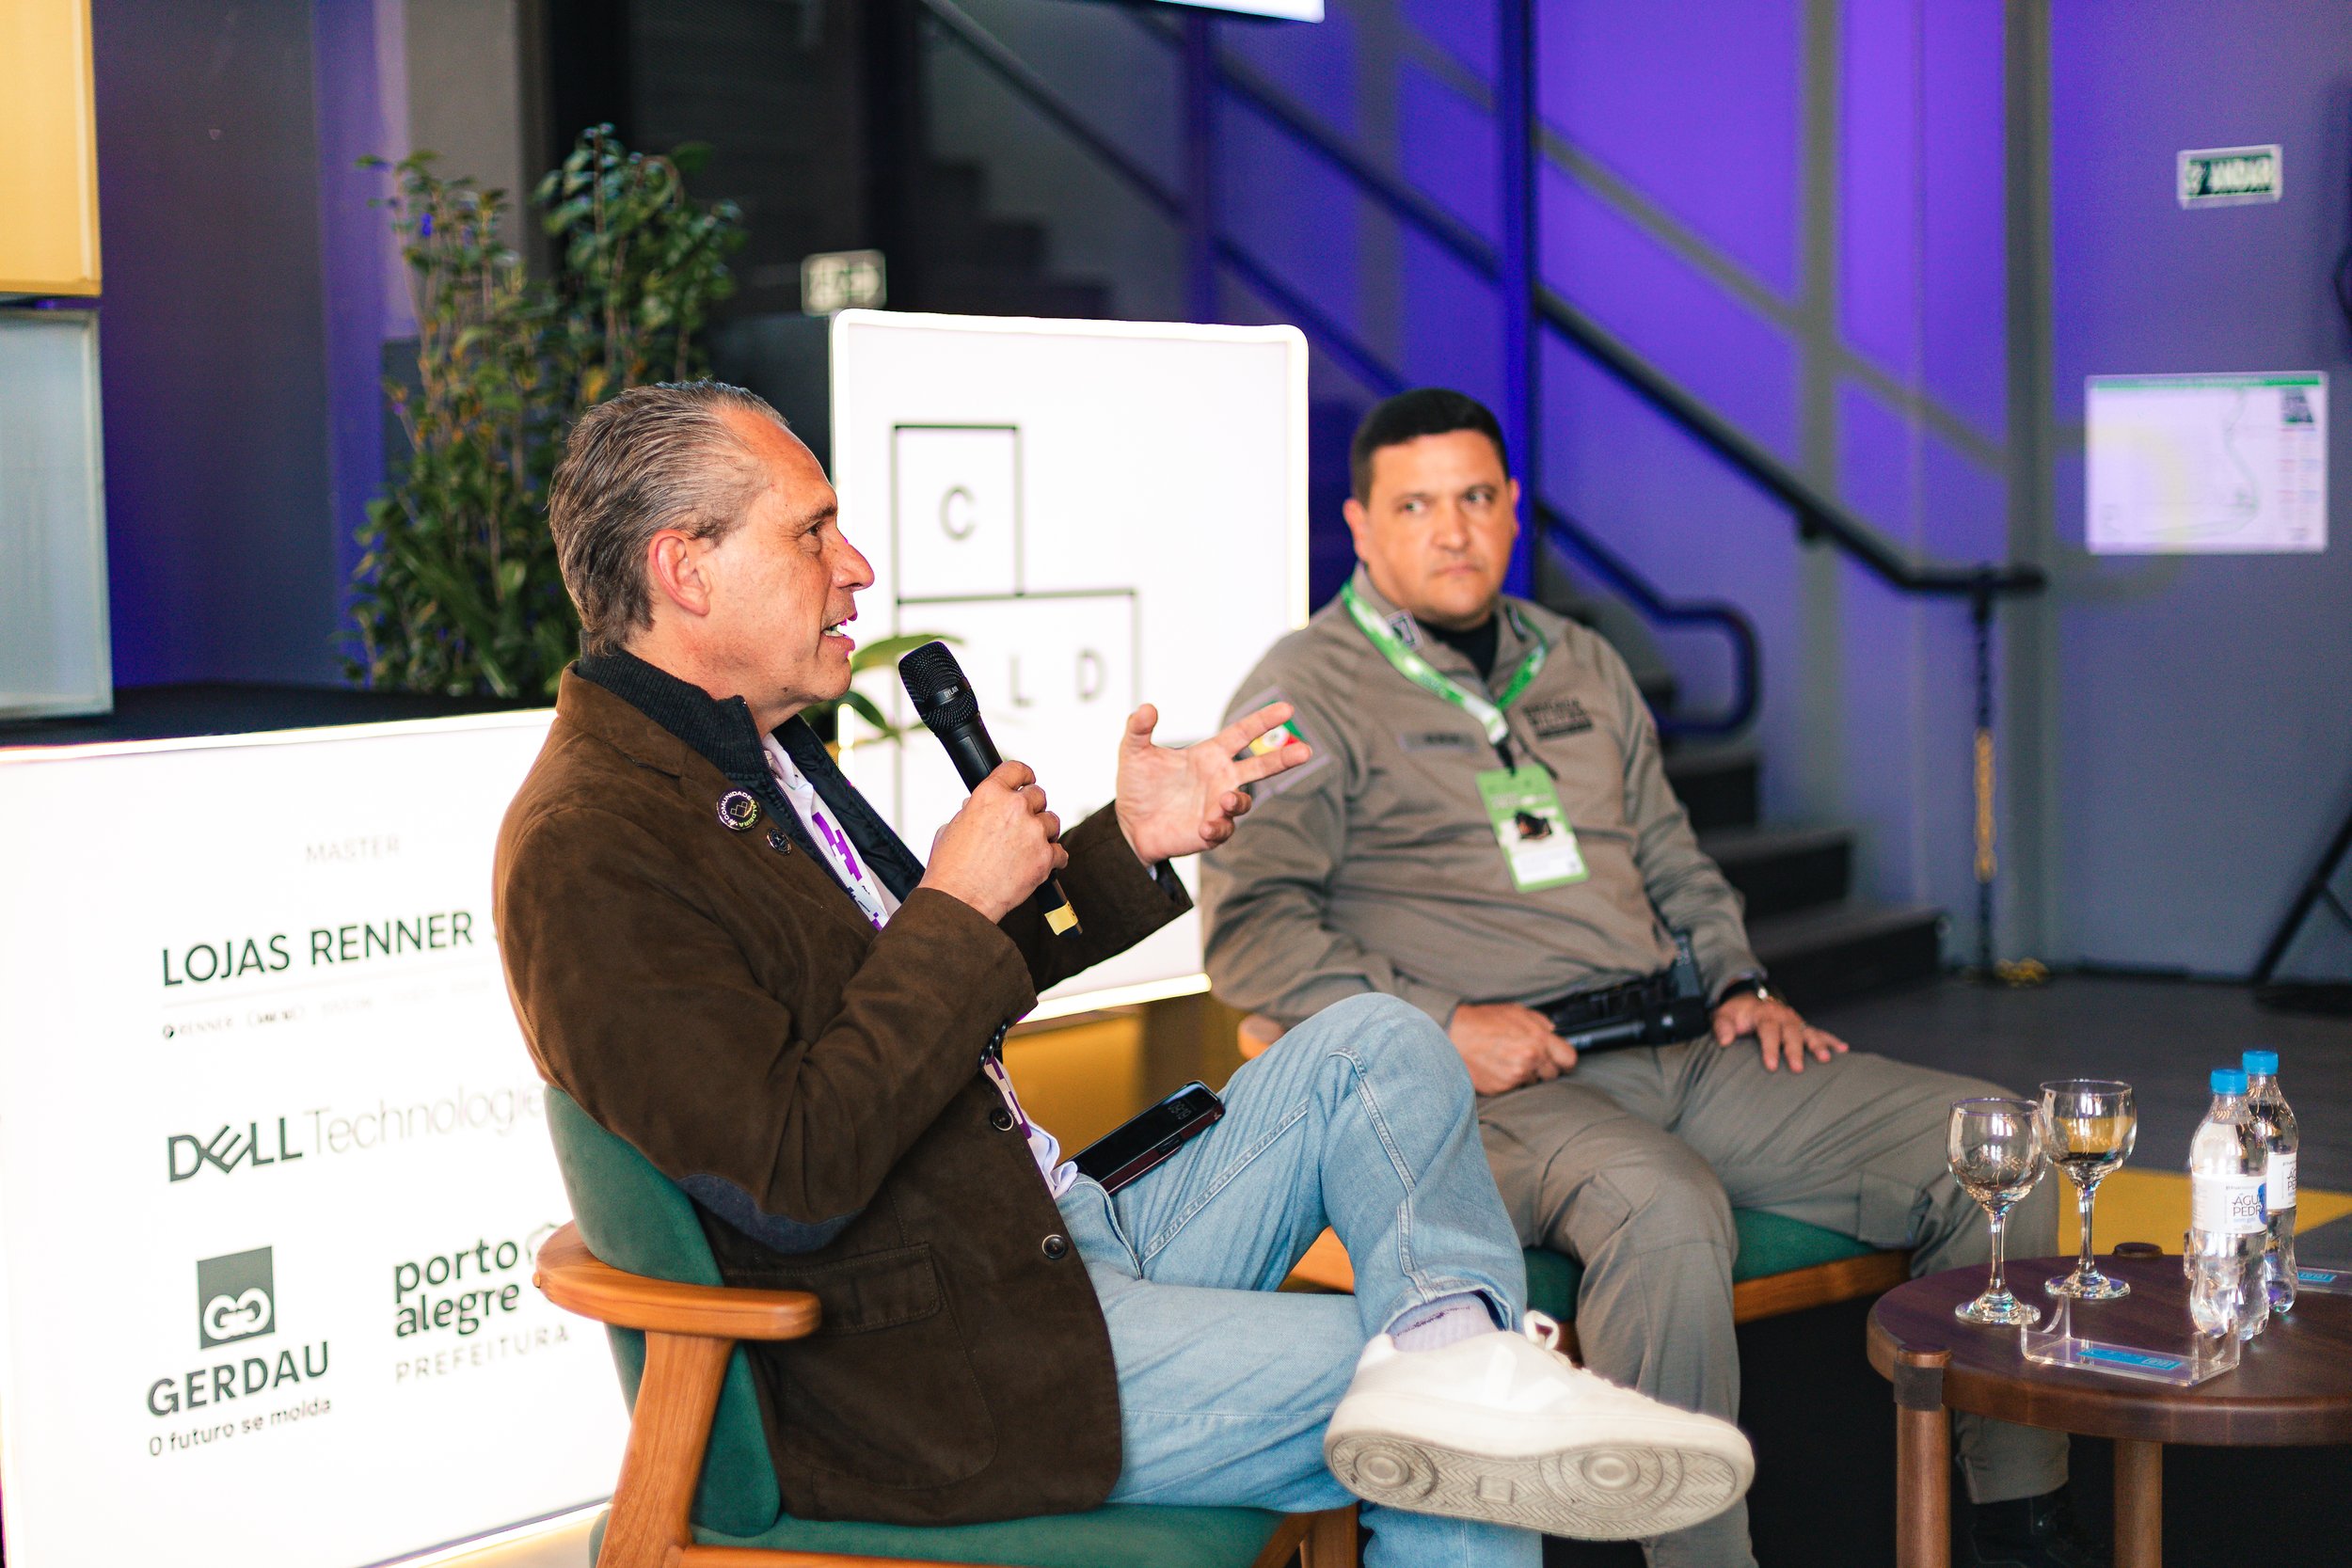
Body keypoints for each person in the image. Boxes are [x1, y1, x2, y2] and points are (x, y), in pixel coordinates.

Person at [492, 380, 1757, 1568]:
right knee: (1437, 1413)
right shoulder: (589, 845)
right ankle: (1466, 1372)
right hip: (940, 1360)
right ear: (684, 569)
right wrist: (949, 905)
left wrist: (1128, 843)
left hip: (1043, 1236)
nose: (856, 565)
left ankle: (1456, 1345)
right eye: (812, 531)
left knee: (1379, 1041)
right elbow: (791, 1167)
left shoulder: (757, 754)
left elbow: (934, 1003)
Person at [1200, 388, 2099, 1568]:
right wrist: (1442, 1024)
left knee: (1991, 1143)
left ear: (1513, 508)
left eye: (1475, 497)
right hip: (1488, 1089)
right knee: (1661, 1202)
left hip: (1677, 1041)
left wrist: (1737, 978)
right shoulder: (1299, 693)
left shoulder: (1576, 659)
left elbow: (1672, 855)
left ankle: (2017, 1523)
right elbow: (1252, 932)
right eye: (1414, 506)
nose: (1452, 530)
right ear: (1360, 525)